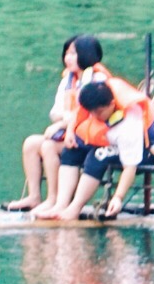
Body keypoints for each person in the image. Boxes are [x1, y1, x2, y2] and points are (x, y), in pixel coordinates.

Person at [36, 75, 154, 221]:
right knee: (71, 149)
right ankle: (61, 205)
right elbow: (78, 113)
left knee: (98, 154)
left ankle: (74, 209)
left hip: (146, 151)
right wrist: (69, 132)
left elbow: (130, 167)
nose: (94, 116)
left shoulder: (129, 126)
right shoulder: (96, 100)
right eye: (91, 112)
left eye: (98, 112)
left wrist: (118, 197)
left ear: (112, 104)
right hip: (109, 140)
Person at [6, 35, 100, 213]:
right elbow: (55, 112)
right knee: (31, 143)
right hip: (69, 130)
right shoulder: (68, 80)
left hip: (88, 137)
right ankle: (34, 196)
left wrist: (61, 124)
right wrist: (64, 121)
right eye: (67, 53)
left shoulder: (95, 80)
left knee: (48, 146)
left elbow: (89, 113)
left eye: (73, 53)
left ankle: (54, 199)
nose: (68, 58)